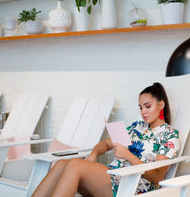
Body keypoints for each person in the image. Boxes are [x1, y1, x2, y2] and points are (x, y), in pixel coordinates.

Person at [32, 82, 180, 197]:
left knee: (74, 165)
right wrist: (94, 154)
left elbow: (157, 177)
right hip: (112, 177)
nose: (143, 112)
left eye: (147, 106)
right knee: (61, 164)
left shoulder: (170, 135)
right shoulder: (136, 127)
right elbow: (105, 144)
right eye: (140, 107)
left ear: (161, 104)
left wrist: (127, 155)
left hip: (133, 186)